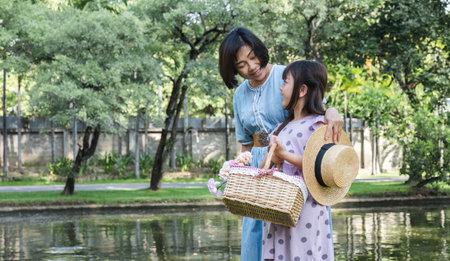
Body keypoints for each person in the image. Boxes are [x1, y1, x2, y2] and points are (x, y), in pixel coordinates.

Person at [218, 27, 342, 261]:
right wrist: (238, 173)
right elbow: (246, 144)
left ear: (260, 50)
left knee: (297, 233)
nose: (252, 67)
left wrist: (332, 111)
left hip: (293, 166)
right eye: (241, 65)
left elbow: (318, 105)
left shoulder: (286, 75)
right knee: (257, 235)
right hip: (259, 166)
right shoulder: (239, 95)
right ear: (233, 69)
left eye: (253, 57)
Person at [262, 60, 333, 260]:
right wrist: (271, 158)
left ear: (301, 90)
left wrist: (284, 155)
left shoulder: (318, 126)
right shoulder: (280, 127)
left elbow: (321, 166)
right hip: (278, 210)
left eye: (285, 82)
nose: (280, 88)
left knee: (304, 254)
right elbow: (266, 167)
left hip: (306, 211)